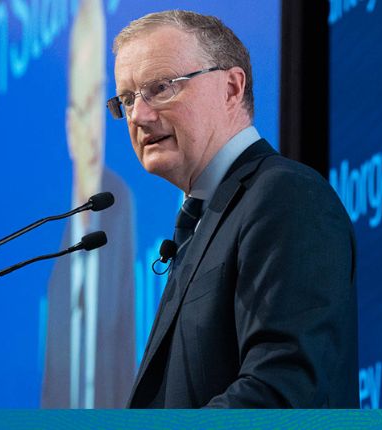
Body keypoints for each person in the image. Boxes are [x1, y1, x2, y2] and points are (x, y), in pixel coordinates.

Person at [108, 10, 358, 408]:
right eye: (127, 99)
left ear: (231, 87)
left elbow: (281, 392)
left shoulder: (285, 196)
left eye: (160, 87)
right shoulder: (203, 221)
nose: (138, 115)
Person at [41, 0, 136, 409]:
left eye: (101, 100)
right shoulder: (52, 232)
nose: (93, 129)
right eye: (83, 108)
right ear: (68, 128)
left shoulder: (119, 204)